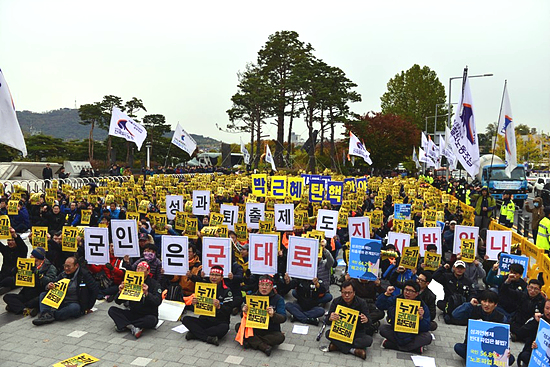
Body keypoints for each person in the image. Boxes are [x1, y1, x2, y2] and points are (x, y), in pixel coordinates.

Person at [451, 290, 514, 366]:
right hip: (473, 347)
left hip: (492, 351)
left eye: (490, 302)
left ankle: (480, 360)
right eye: (484, 301)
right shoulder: (473, 309)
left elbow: (504, 338)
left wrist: (507, 350)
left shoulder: (501, 317)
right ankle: (475, 359)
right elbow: (455, 315)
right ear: (481, 301)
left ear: (495, 304)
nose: (486, 304)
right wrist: (469, 305)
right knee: (458, 347)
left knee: (510, 359)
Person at [33, 256, 99, 325]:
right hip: (60, 301)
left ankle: (50, 315)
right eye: (65, 266)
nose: (66, 268)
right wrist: (49, 286)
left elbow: (94, 289)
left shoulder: (84, 275)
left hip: (74, 302)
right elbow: (54, 282)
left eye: (69, 266)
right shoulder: (63, 274)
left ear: (76, 266)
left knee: (74, 308)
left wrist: (88, 307)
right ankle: (45, 313)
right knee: (43, 295)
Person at [182, 265, 235, 346]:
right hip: (205, 320)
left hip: (219, 322)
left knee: (224, 328)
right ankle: (207, 338)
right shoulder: (204, 287)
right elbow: (197, 309)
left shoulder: (226, 291)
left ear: (221, 277)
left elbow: (229, 310)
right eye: (212, 274)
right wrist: (193, 304)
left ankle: (195, 334)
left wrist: (219, 307)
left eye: (216, 275)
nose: (213, 277)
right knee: (186, 319)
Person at [108, 261, 162, 339]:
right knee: (112, 310)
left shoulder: (154, 284)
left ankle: (124, 324)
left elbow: (157, 301)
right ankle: (133, 326)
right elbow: (118, 302)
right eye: (138, 268)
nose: (139, 270)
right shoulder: (131, 281)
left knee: (152, 320)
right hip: (133, 313)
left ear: (148, 271)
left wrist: (147, 294)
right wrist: (120, 292)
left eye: (142, 269)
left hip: (147, 314)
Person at [376, 280, 432, 354]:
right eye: (406, 289)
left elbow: (426, 327)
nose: (407, 293)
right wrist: (386, 294)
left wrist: (421, 318)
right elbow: (380, 305)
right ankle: (413, 349)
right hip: (396, 332)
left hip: (413, 335)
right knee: (383, 328)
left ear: (416, 294)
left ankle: (393, 345)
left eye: (411, 291)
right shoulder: (397, 299)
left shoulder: (422, 306)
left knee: (427, 337)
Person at [235, 274, 286, 356]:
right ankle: (263, 346)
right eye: (262, 285)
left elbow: (283, 318)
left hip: (270, 330)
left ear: (272, 286)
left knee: (280, 337)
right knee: (238, 326)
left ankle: (250, 341)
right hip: (254, 328)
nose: (264, 288)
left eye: (267, 285)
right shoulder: (253, 297)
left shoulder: (278, 299)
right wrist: (244, 312)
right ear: (258, 285)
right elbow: (243, 318)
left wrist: (273, 315)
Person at [325, 280, 373, 360]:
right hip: (341, 332)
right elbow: (327, 321)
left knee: (368, 340)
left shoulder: (361, 303)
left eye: (349, 293)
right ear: (341, 292)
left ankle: (338, 346)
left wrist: (366, 320)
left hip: (357, 332)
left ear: (354, 292)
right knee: (328, 334)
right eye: (344, 293)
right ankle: (353, 350)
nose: (347, 295)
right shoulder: (336, 302)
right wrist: (330, 318)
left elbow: (369, 323)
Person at [3, 247, 57, 315]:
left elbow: (50, 280)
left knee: (35, 302)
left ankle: (18, 307)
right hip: (26, 292)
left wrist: (37, 273)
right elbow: (18, 281)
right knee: (7, 297)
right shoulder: (27, 265)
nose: (30, 256)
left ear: (38, 257)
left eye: (33, 256)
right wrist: (16, 271)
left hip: (38, 293)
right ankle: (24, 309)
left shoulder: (50, 267)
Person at [433, 260, 476, 325]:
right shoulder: (447, 277)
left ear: (464, 269)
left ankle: (453, 316)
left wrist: (472, 298)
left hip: (461, 304)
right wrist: (443, 268)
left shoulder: (468, 281)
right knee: (439, 303)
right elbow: (435, 276)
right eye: (458, 268)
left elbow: (473, 292)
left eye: (461, 268)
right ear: (453, 268)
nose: (459, 270)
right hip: (449, 303)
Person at [516, 299, 550, 366]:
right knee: (525, 356)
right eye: (547, 308)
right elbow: (520, 333)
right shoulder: (538, 318)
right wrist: (535, 321)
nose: (549, 311)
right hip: (534, 353)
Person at [0, 227, 29, 295]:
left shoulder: (22, 251)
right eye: (8, 240)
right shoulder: (6, 249)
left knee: (7, 281)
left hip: (16, 277)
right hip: (4, 273)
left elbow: (21, 244)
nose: (10, 242)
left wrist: (15, 235)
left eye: (12, 240)